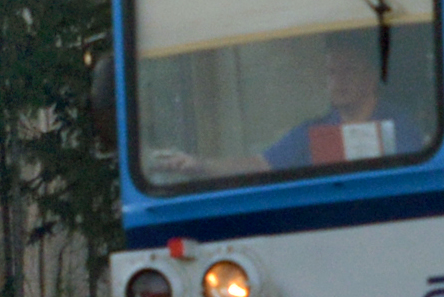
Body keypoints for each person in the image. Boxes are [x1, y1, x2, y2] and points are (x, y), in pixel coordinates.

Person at [148, 35, 396, 185]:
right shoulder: (312, 132)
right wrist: (200, 165)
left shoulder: (397, 126)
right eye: (331, 73)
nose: (338, 81)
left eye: (348, 71)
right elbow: (260, 164)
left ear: (371, 77)